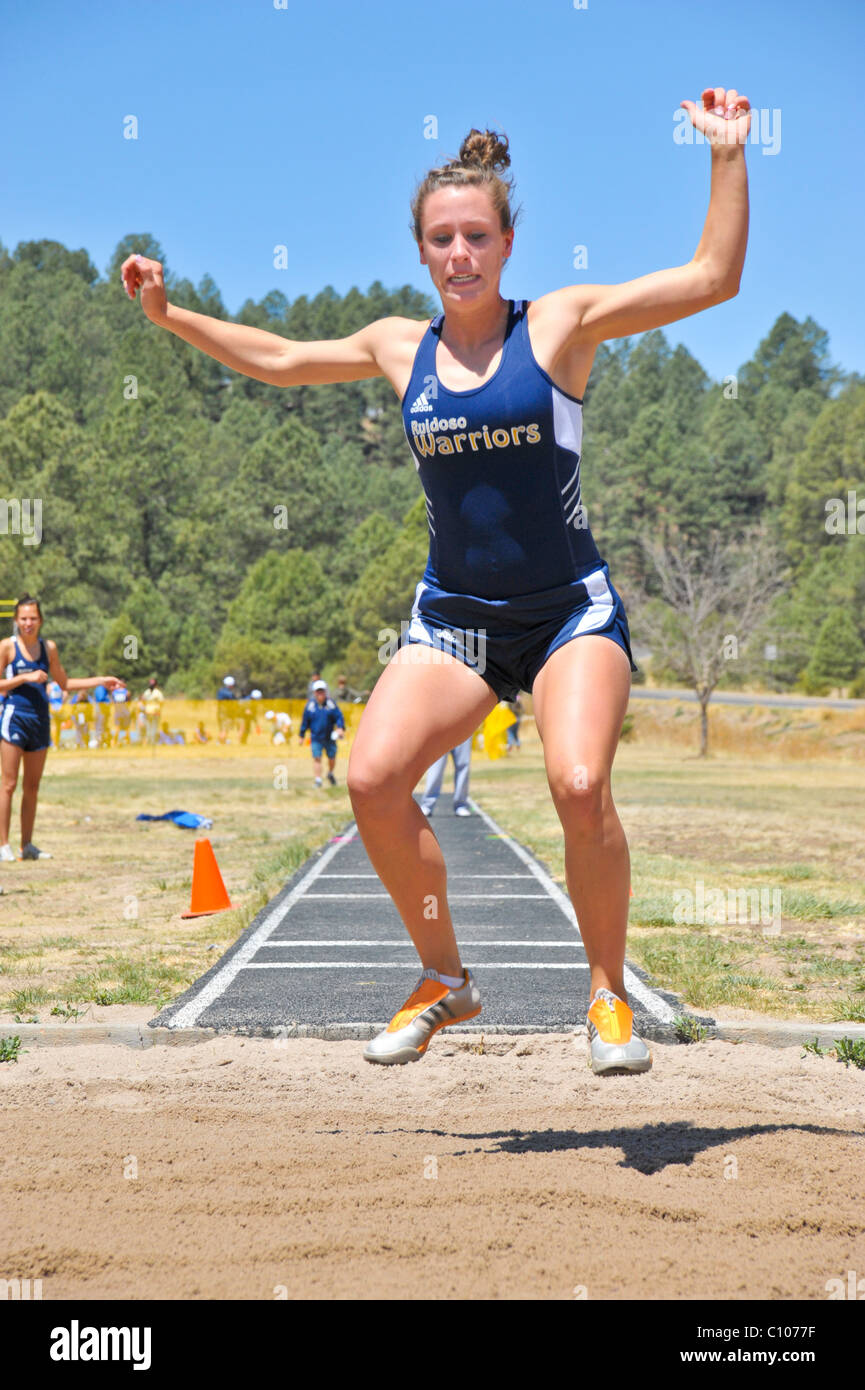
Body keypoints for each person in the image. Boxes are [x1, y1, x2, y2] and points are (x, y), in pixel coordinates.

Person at [121, 90, 749, 1074]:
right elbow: (282, 359)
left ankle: (605, 992)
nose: (459, 253)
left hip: (564, 614)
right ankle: (445, 977)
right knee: (371, 778)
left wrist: (724, 153)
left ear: (505, 243)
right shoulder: (394, 346)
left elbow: (712, 277)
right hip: (453, 619)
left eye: (476, 236)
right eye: (440, 239)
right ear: (421, 251)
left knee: (579, 784)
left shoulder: (561, 327)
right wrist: (167, 315)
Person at [0, 595, 126, 859]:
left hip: (40, 721)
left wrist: (101, 680)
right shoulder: (7, 648)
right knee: (9, 784)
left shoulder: (49, 648)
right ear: (16, 620)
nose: (28, 623)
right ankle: (3, 845)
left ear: (41, 620)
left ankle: (27, 846)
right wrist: (25, 677)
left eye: (33, 618)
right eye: (23, 618)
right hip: (15, 718)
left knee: (32, 787)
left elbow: (65, 684)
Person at [298, 680, 345, 786]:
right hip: (316, 738)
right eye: (318, 691)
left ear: (325, 691)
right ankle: (318, 780)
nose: (320, 693)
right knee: (317, 758)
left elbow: (339, 717)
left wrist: (340, 728)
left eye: (322, 691)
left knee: (332, 758)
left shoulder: (331, 704)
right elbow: (305, 721)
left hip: (330, 737)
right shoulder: (310, 706)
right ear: (314, 692)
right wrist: (301, 735)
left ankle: (330, 773)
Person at [420, 734, 473, 817]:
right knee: (436, 767)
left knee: (463, 766)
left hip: (464, 726)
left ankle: (461, 805)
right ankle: (427, 804)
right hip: (443, 729)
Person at [140, 677, 164, 746]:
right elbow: (143, 701)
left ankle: (153, 742)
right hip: (148, 713)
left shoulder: (158, 693)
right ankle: (149, 742)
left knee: (154, 728)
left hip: (155, 713)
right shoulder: (147, 692)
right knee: (149, 728)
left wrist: (158, 710)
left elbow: (161, 703)